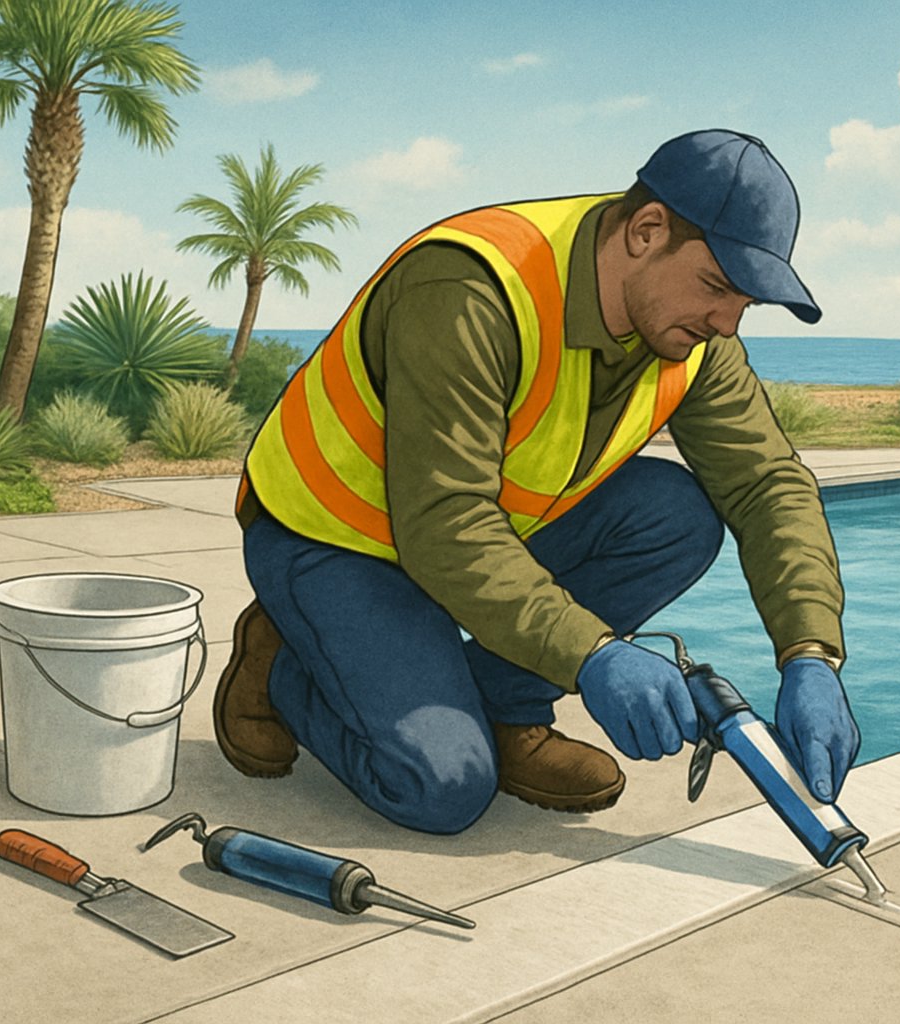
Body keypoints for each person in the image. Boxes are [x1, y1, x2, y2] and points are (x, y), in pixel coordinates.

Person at [213, 129, 858, 835]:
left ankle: (504, 706)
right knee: (443, 787)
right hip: (334, 537)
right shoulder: (469, 287)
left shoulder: (693, 336)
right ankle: (286, 666)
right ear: (646, 231)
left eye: (746, 303)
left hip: (471, 538)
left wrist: (811, 653)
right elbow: (445, 524)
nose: (727, 322)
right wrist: (593, 654)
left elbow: (766, 484)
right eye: (717, 287)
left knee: (677, 516)